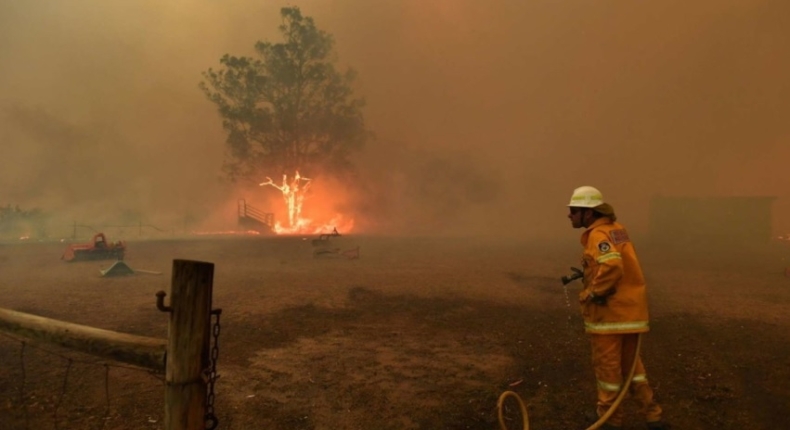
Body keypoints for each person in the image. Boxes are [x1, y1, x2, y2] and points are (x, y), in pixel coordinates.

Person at [566, 186, 668, 430]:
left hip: (610, 317)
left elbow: (612, 266)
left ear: (588, 214)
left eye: (573, 211)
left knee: (608, 371)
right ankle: (653, 416)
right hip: (630, 312)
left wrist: (592, 291)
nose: (569, 216)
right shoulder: (617, 230)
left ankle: (610, 420)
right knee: (634, 370)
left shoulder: (598, 235)